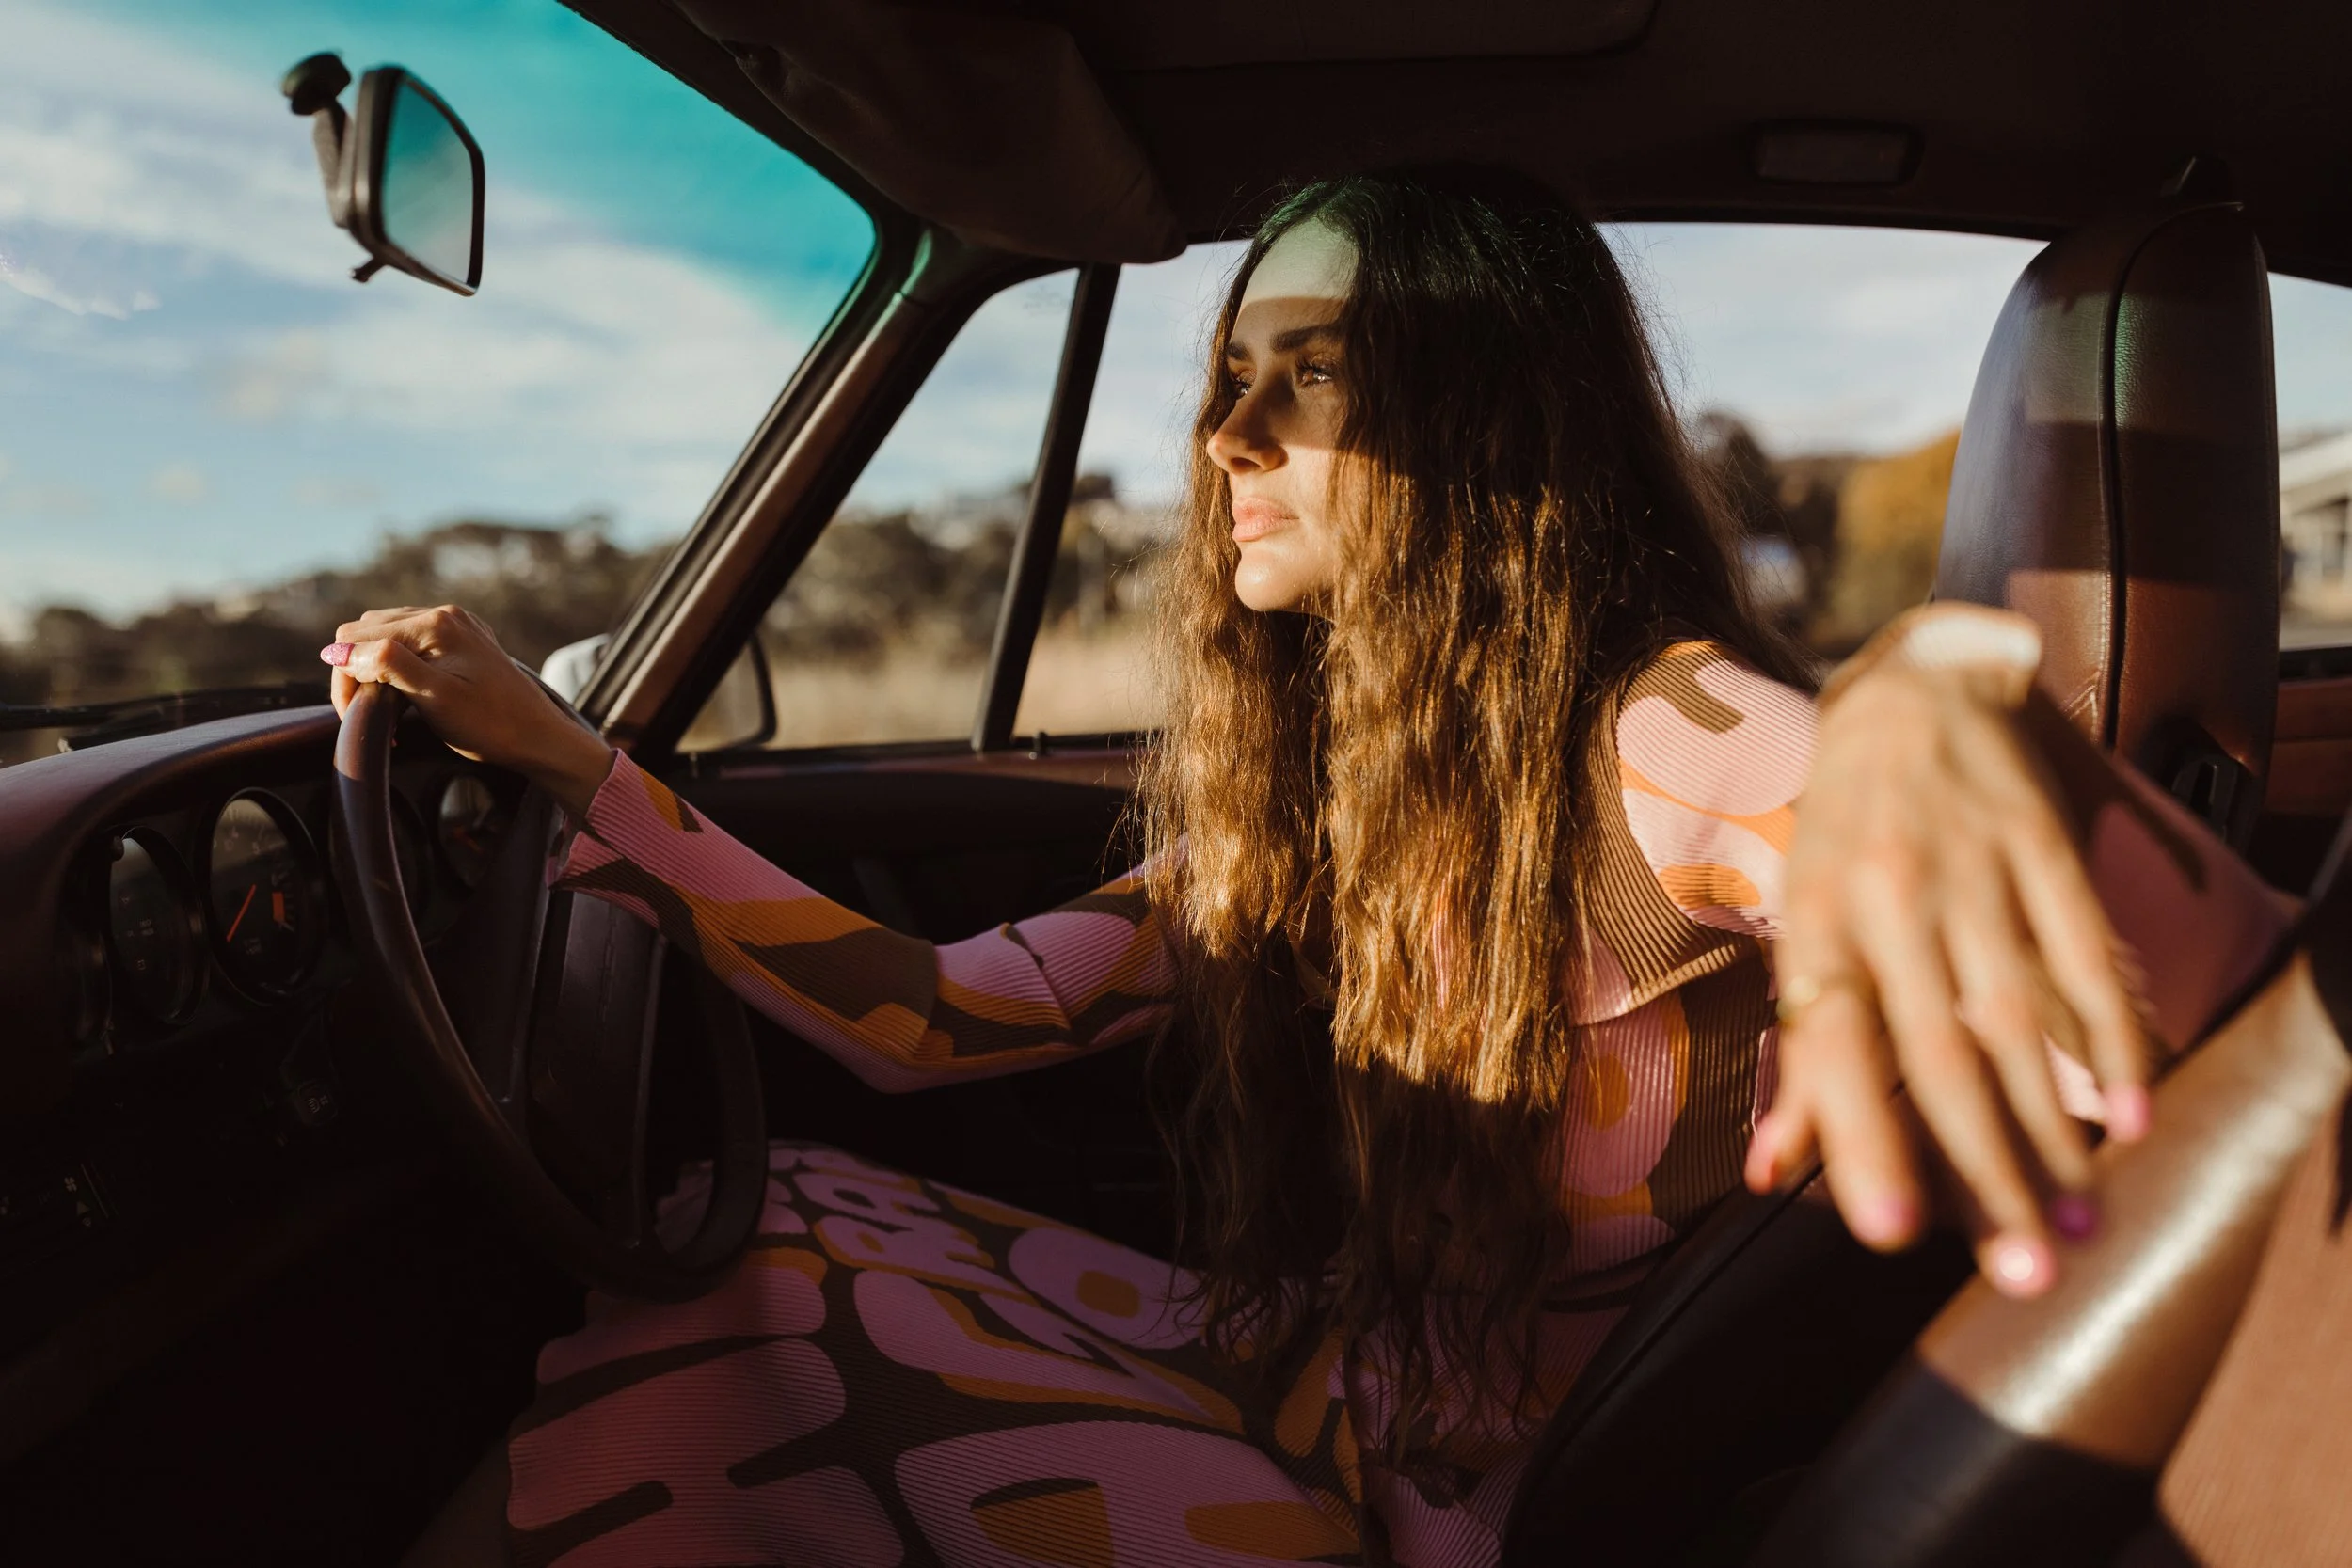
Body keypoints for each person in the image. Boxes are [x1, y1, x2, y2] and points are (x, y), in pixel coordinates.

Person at [326, 167, 2290, 1567]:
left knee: (782, 1323)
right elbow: (929, 1023)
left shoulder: (1668, 736)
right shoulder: (1353, 785)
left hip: (1470, 1503)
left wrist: (1931, 710)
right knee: (769, 1216)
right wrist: (576, 767)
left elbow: (2257, 1039)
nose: (1222, 437)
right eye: (1224, 378)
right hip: (1332, 1389)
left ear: (1479, 422)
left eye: (1310, 374)